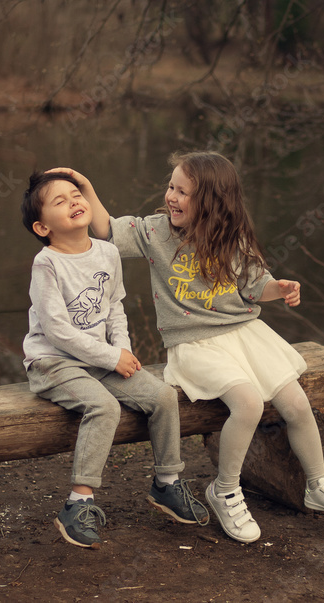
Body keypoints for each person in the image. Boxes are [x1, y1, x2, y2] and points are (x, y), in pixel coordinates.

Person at [58, 152, 324, 544]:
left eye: (183, 191)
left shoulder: (232, 239)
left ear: (213, 202)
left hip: (245, 335)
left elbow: (255, 285)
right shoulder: (155, 232)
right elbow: (107, 228)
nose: (171, 196)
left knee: (297, 404)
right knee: (249, 404)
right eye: (171, 186)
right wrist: (86, 188)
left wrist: (280, 289)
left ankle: (317, 484)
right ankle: (224, 490)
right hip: (194, 343)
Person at [21, 170, 208, 549]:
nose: (74, 201)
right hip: (53, 364)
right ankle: (78, 503)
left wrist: (122, 351)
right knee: (104, 407)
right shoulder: (47, 264)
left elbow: (115, 307)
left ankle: (167, 484)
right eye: (61, 201)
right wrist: (110, 356)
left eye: (76, 195)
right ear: (43, 227)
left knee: (163, 396)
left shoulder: (106, 252)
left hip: (102, 359)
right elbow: (57, 331)